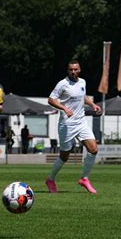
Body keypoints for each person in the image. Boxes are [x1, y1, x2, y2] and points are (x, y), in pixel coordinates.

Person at [45, 60, 101, 194]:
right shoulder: (62, 84)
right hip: (67, 124)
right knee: (65, 156)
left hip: (81, 122)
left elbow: (83, 96)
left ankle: (84, 178)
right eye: (71, 69)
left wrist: (92, 105)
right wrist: (64, 108)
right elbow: (51, 99)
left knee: (93, 149)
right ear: (68, 70)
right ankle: (50, 179)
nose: (73, 72)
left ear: (79, 70)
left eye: (75, 69)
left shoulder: (82, 82)